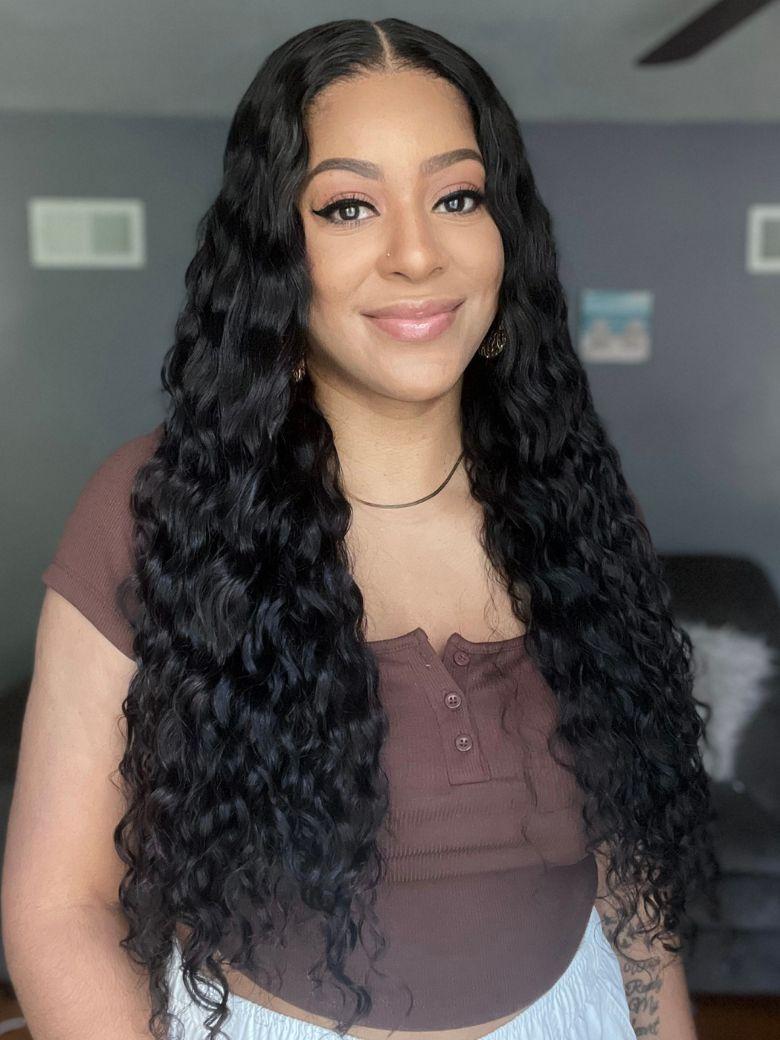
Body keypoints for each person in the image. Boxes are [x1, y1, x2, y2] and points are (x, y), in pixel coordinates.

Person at [5, 16, 719, 1040]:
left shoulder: (584, 501)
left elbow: (630, 872)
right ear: (274, 254)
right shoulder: (153, 507)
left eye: (457, 196)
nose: (417, 254)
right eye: (348, 206)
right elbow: (60, 906)